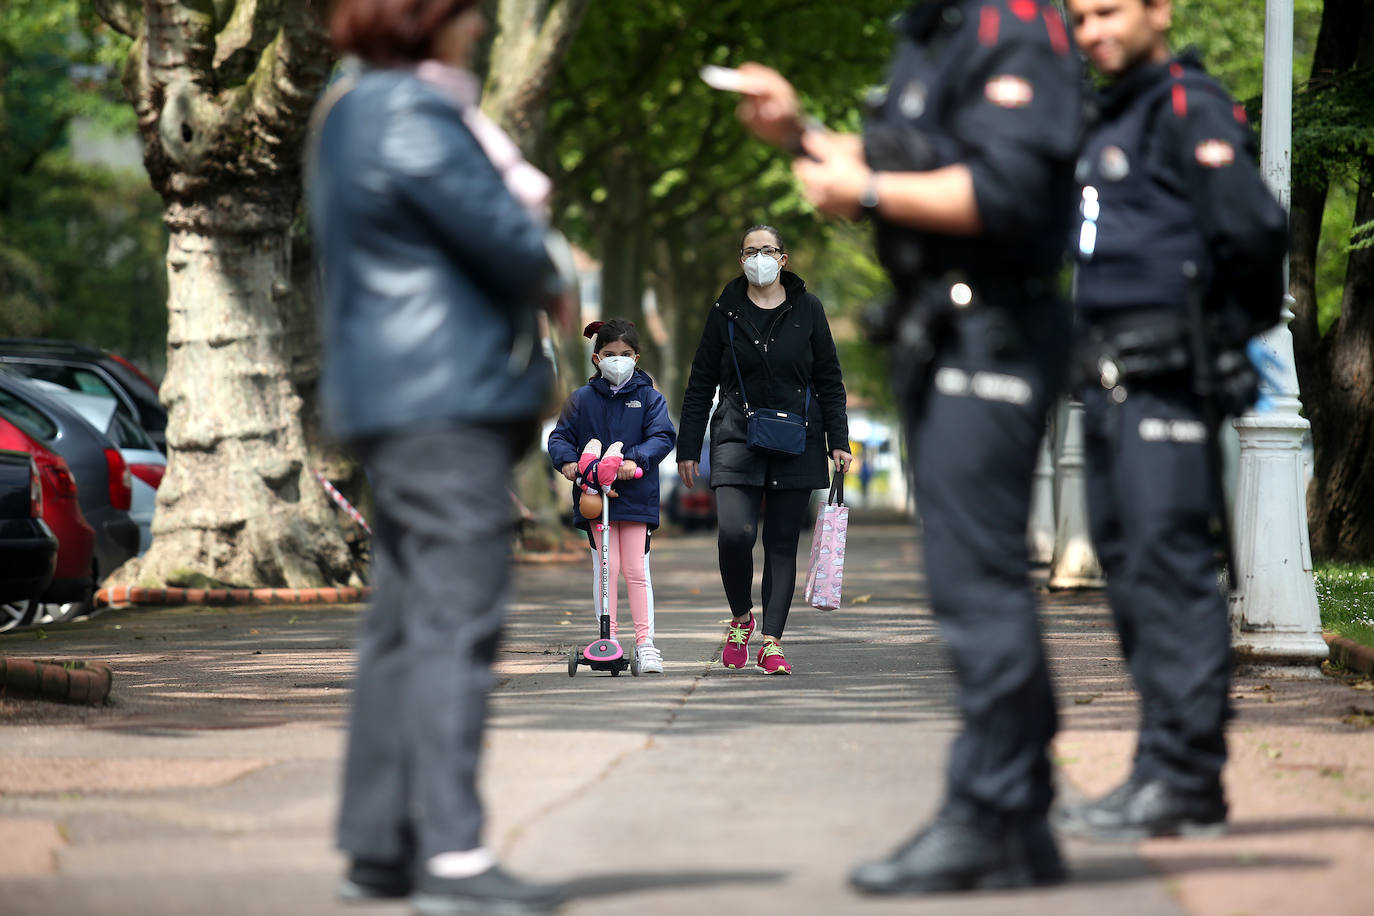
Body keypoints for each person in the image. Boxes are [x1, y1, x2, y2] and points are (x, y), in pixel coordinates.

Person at [730, 0, 1081, 892]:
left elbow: (1009, 189)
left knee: (975, 581)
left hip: (992, 328)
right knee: (972, 573)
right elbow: (890, 163)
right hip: (938, 330)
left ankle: (988, 815)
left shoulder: (1016, 26)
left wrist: (874, 193)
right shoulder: (933, 31)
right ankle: (1022, 815)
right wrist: (800, 133)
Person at [309, 1, 572, 912]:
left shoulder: (352, 106)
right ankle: (452, 857)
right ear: (432, 19)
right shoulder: (411, 112)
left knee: (404, 623)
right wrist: (551, 266)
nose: (482, 27)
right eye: (469, 12)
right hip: (441, 399)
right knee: (456, 624)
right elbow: (505, 242)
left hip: (402, 397)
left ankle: (379, 845)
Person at [1055, 0, 1288, 840]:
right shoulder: (1110, 113)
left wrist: (1221, 337)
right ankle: (1161, 771)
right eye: (1079, 18)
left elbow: (1259, 231)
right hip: (1112, 385)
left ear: (1159, 10)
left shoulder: (1189, 104)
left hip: (1169, 384)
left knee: (1173, 578)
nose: (1093, 31)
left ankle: (1189, 779)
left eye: (1110, 12)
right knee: (1133, 585)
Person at [677, 224, 852, 676]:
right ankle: (741, 617)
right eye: (751, 251)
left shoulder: (809, 309)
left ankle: (771, 641)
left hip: (798, 439)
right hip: (736, 435)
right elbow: (700, 382)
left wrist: (840, 441)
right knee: (734, 533)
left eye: (767, 250)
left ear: (783, 258)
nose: (760, 258)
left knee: (780, 542)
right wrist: (688, 447)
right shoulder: (725, 312)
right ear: (741, 260)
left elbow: (829, 380)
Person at [547, 319, 677, 675]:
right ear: (596, 358)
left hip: (635, 494)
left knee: (636, 569)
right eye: (609, 355)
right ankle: (610, 639)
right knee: (606, 567)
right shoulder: (581, 400)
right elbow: (560, 437)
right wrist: (569, 462)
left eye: (624, 355)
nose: (617, 361)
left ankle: (646, 643)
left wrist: (633, 458)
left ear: (636, 357)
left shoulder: (649, 398)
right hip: (594, 495)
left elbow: (663, 436)